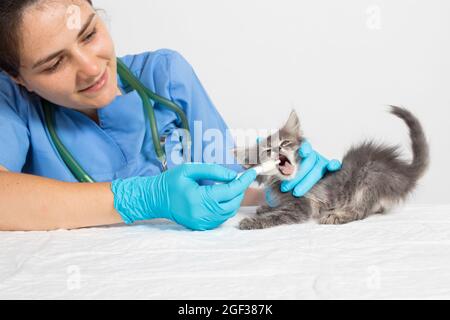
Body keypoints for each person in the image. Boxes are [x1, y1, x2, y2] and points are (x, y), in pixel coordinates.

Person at [0, 0, 340, 232]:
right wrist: (143, 198)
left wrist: (278, 185)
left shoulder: (165, 75)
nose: (91, 68)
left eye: (89, 34)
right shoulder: (11, 102)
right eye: (55, 63)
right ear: (17, 76)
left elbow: (225, 180)